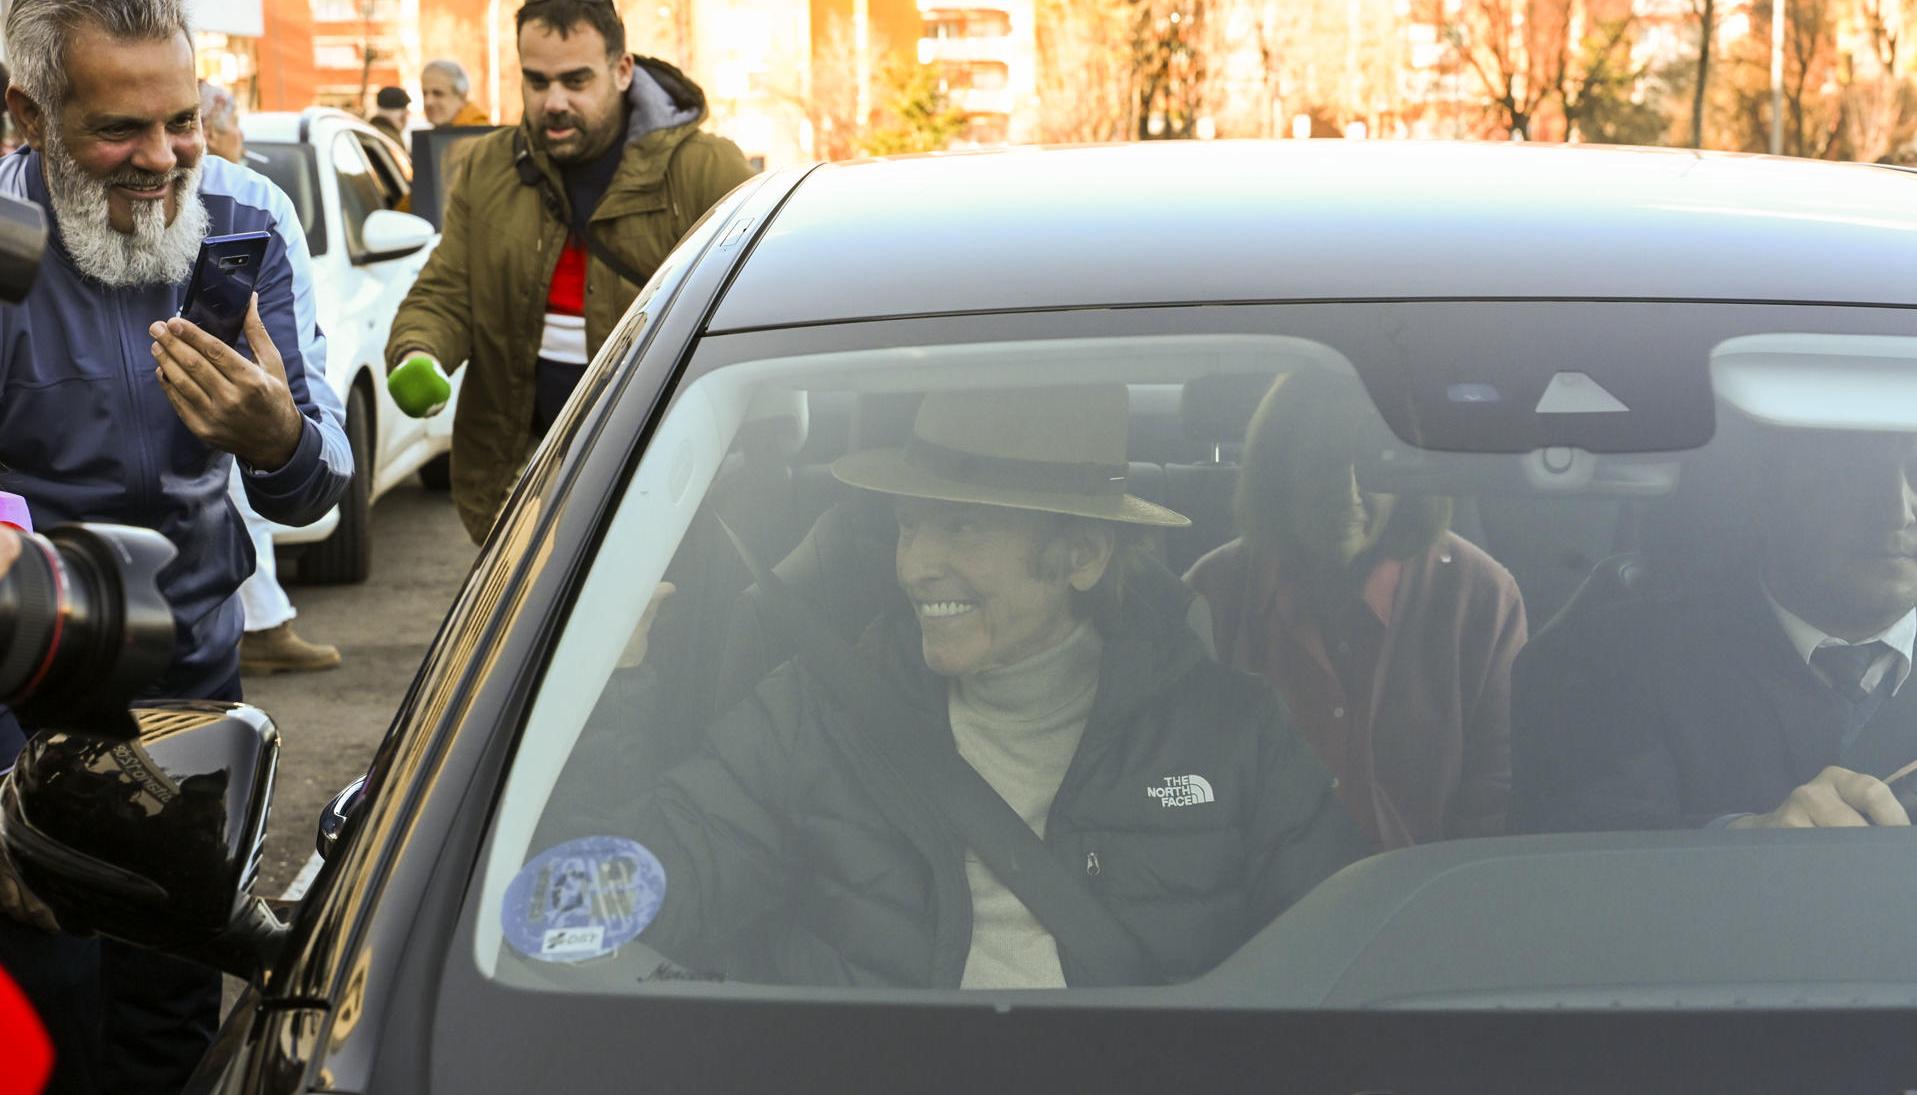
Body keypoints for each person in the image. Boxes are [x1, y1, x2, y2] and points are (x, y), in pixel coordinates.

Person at [541, 386, 1370, 988]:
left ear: (1079, 556)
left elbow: (1345, 967)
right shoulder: (813, 716)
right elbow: (604, 908)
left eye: (961, 525)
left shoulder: (1231, 733)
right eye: (908, 524)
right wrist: (609, 689)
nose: (912, 566)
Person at [0, 1, 351, 1090]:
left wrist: (276, 435)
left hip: (191, 705)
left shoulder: (248, 215)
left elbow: (316, 483)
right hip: (17, 706)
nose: (162, 160)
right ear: (26, 114)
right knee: (47, 1027)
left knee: (174, 1031)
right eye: (119, 131)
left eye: (183, 121)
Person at [386, 0, 753, 543]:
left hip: (670, 477)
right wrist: (419, 352)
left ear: (622, 70)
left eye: (576, 80)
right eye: (536, 82)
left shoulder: (704, 169)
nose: (554, 102)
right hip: (524, 479)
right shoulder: (488, 167)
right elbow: (447, 293)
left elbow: (748, 322)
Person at [1511, 425, 1917, 833]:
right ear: (1765, 495)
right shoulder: (1612, 657)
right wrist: (1743, 842)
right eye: (1853, 473)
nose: (1897, 512)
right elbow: (1572, 853)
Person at [1184, 371, 1526, 849]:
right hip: (1256, 914)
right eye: (1321, 463)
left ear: (1410, 476)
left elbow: (1498, 798)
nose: (1346, 491)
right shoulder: (1212, 594)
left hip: (1427, 903)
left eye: (1371, 464)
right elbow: (1179, 791)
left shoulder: (1482, 598)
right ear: (1277, 472)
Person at [198, 81, 342, 674]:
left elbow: (312, 446)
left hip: (239, 392)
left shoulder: (256, 207)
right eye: (234, 131)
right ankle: (263, 626)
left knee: (251, 495)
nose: (240, 143)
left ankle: (265, 624)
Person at [421, 58, 489, 127]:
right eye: (424, 94)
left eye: (438, 94)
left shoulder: (478, 133)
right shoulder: (443, 133)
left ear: (462, 97)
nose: (428, 102)